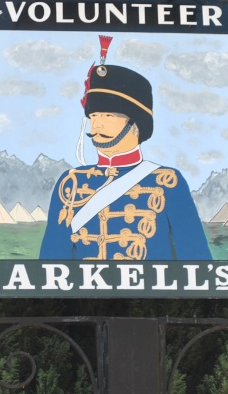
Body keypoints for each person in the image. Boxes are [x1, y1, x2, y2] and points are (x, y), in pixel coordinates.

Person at [38, 36, 212, 261]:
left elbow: (197, 262)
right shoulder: (70, 183)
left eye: (108, 116)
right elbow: (49, 264)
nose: (97, 125)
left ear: (136, 125)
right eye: (93, 115)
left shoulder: (168, 182)